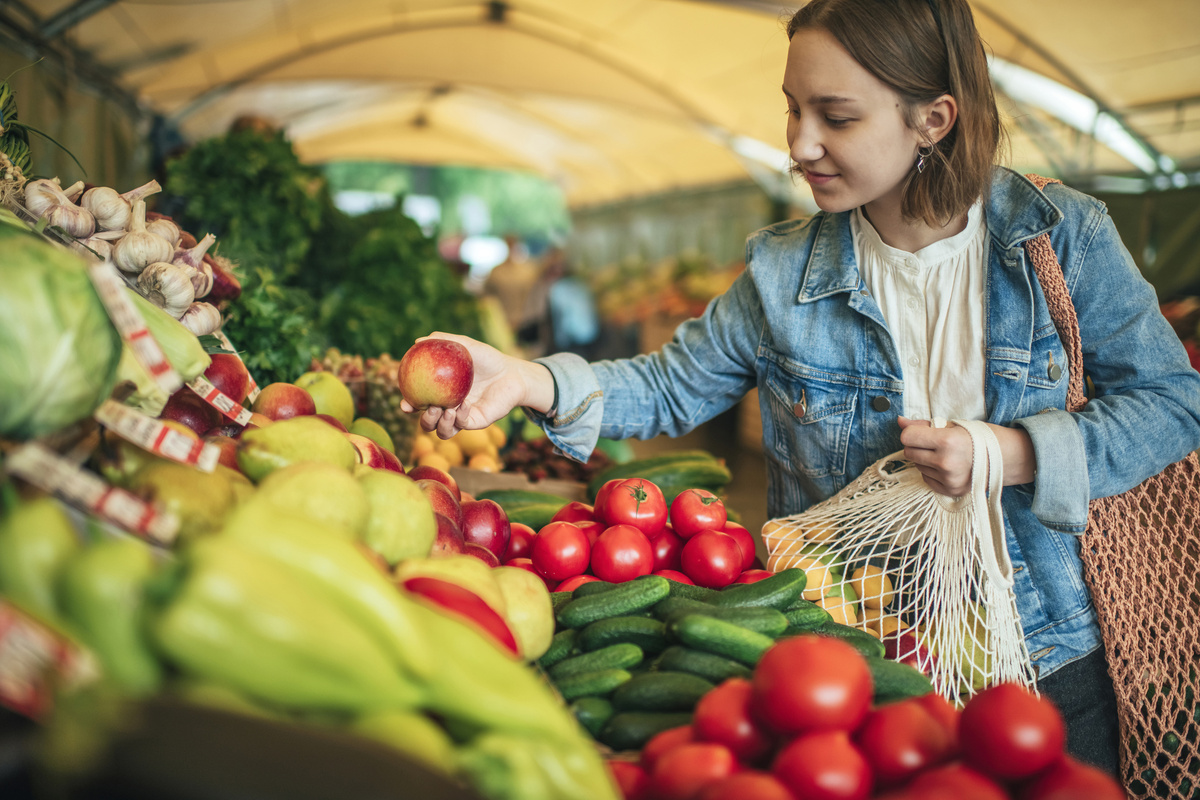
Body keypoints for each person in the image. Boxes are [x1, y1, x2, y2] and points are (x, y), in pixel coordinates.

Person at [402, 0, 1200, 774]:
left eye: (836, 116)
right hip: (856, 654)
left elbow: (1173, 404)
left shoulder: (1061, 237)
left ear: (935, 118)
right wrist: (529, 378)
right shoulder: (784, 271)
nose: (800, 144)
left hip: (1052, 658)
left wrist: (1013, 453)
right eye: (792, 110)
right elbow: (670, 386)